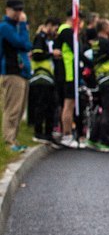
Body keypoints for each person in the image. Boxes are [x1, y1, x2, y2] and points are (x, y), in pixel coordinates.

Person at [83, 18, 109, 152]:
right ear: (104, 28)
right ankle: (105, 141)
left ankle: (94, 138)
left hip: (100, 78)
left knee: (102, 110)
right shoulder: (106, 43)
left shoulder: (96, 43)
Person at [0, 0, 32, 152]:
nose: (18, 13)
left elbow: (27, 45)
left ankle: (14, 139)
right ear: (8, 10)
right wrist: (24, 26)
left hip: (22, 73)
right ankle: (8, 141)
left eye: (20, 10)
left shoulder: (16, 27)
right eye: (15, 10)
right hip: (11, 71)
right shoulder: (5, 27)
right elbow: (22, 44)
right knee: (12, 109)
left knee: (19, 109)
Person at [28, 17, 60, 146]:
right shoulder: (40, 37)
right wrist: (52, 54)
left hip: (48, 78)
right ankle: (38, 132)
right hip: (41, 77)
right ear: (50, 25)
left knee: (50, 106)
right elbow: (37, 54)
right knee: (41, 105)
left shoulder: (46, 39)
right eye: (55, 29)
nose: (55, 32)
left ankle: (48, 133)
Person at [52, 11, 82, 147]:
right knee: (68, 105)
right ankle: (67, 134)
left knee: (64, 104)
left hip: (62, 72)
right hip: (68, 73)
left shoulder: (60, 31)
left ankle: (64, 132)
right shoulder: (67, 32)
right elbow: (77, 52)